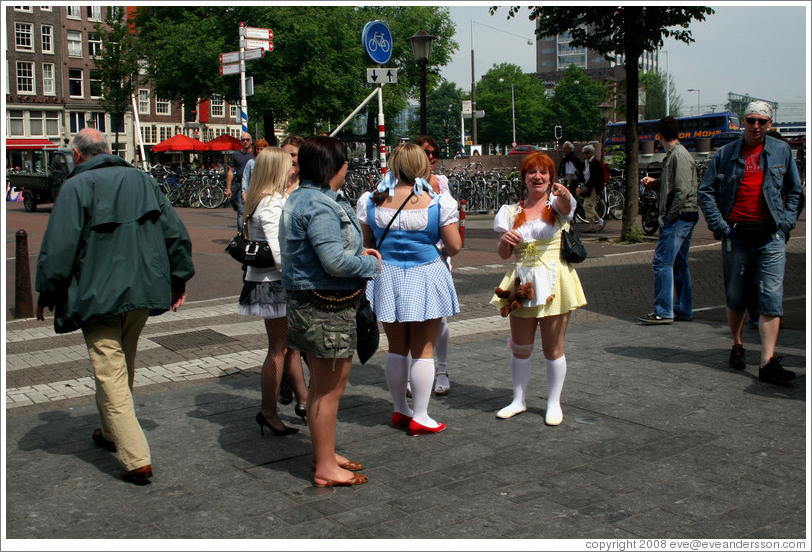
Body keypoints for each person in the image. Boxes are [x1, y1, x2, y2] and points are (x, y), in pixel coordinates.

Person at [34, 128, 194, 485]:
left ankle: (136, 456)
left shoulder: (75, 188)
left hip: (97, 295)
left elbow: (58, 249)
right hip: (141, 291)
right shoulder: (143, 180)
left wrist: (47, 292)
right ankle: (110, 431)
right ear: (107, 150)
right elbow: (176, 234)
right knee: (123, 363)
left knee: (110, 369)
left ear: (77, 156)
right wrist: (178, 280)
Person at [280, 135, 381, 487]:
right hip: (324, 306)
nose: (347, 167)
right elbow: (334, 262)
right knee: (327, 388)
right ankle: (324, 465)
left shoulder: (308, 198)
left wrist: (358, 256)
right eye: (344, 161)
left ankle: (324, 452)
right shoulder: (319, 205)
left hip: (318, 304)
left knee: (326, 385)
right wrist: (369, 266)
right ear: (333, 167)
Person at [358, 143, 462, 437]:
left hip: (387, 275)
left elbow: (369, 244)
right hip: (426, 274)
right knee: (423, 350)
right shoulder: (437, 202)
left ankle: (399, 409)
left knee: (396, 349)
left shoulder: (372, 200)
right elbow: (454, 245)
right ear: (421, 166)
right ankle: (421, 415)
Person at [698, 101, 804, 385]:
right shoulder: (725, 154)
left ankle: (767, 361)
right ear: (743, 122)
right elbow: (706, 191)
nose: (756, 126)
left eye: (762, 121)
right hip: (737, 236)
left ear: (769, 124)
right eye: (751, 120)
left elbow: (795, 190)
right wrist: (721, 227)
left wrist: (785, 224)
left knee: (771, 296)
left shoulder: (781, 151)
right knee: (736, 296)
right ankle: (738, 343)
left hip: (771, 237)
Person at [491, 151, 586, 425]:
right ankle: (518, 400)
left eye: (543, 172)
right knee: (520, 348)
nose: (538, 177)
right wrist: (506, 240)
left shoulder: (556, 206)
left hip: (555, 281)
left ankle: (554, 404)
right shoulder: (510, 212)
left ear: (551, 178)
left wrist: (565, 193)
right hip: (521, 283)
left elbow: (568, 207)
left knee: (553, 348)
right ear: (524, 178)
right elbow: (504, 255)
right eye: (532, 172)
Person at [239, 147, 309, 436]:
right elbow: (280, 253)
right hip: (275, 283)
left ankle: (304, 400)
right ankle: (268, 410)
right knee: (279, 350)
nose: (292, 170)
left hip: (269, 282)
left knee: (288, 347)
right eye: (287, 166)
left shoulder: (264, 199)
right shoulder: (270, 203)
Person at [638, 116, 700, 325]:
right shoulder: (678, 155)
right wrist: (656, 183)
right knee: (680, 263)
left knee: (662, 262)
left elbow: (681, 189)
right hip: (685, 213)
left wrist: (669, 216)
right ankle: (683, 308)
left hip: (679, 215)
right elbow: (675, 183)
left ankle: (663, 310)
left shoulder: (677, 155)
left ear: (660, 136)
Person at [415, 134, 453, 395]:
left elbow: (447, 217)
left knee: (440, 319)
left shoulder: (442, 182)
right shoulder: (398, 182)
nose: (430, 157)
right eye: (425, 152)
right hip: (412, 257)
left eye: (434, 152)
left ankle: (442, 369)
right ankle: (413, 371)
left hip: (438, 255)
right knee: (411, 316)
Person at [276, 134, 306, 407]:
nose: (290, 161)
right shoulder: (272, 190)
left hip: (303, 272)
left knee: (301, 340)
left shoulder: (307, 189)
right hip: (279, 272)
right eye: (286, 155)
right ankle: (296, 389)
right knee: (286, 340)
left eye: (294, 155)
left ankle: (300, 388)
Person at [226, 132, 253, 231]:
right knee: (241, 211)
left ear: (251, 141)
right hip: (240, 186)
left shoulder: (255, 154)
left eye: (247, 140)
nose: (245, 142)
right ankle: (241, 235)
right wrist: (228, 188)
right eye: (243, 140)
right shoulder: (236, 155)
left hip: (253, 186)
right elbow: (231, 171)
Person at [580, 144, 606, 233]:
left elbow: (594, 177)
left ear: (592, 153)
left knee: (586, 205)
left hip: (594, 187)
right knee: (591, 206)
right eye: (584, 153)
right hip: (590, 186)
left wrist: (587, 186)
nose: (586, 154)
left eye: (587, 153)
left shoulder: (595, 163)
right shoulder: (586, 163)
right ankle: (591, 226)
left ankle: (600, 221)